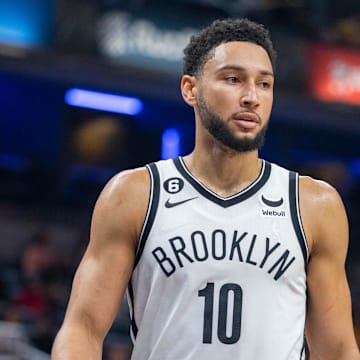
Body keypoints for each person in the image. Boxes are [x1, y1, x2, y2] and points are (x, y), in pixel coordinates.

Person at [51, 18, 360, 359]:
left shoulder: (313, 205)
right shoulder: (135, 195)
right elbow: (83, 328)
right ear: (190, 89)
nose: (251, 97)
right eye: (233, 79)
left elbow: (338, 349)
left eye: (264, 84)